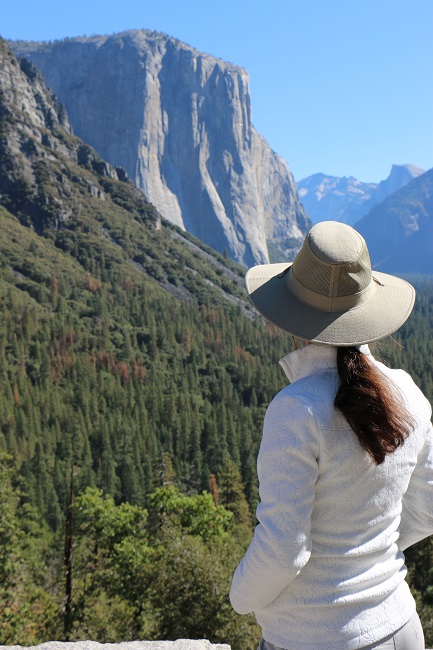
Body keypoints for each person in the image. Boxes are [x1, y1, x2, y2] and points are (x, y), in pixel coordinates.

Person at [229, 221, 433, 650]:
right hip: (400, 628)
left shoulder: (295, 410)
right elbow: (428, 507)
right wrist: (365, 553)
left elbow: (284, 549)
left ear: (293, 312)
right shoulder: (409, 395)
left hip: (311, 637)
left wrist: (239, 596)